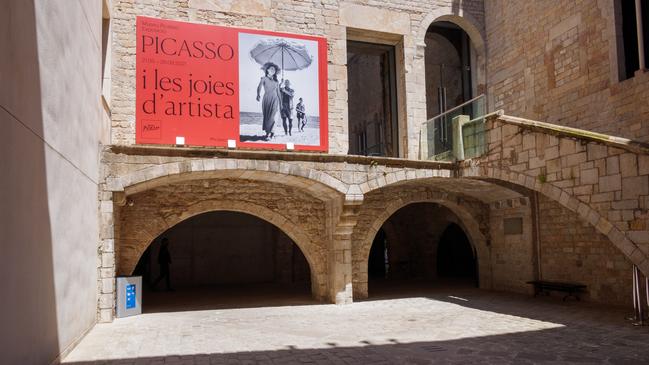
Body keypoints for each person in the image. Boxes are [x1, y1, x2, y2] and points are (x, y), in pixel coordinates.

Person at [256, 62, 281, 140]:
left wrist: (281, 103)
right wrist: (258, 94)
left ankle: (271, 132)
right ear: (267, 70)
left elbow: (279, 93)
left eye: (274, 69)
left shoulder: (276, 82)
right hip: (267, 99)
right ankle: (268, 133)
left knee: (273, 116)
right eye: (271, 69)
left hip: (275, 99)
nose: (273, 70)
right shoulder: (263, 78)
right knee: (267, 116)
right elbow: (259, 87)